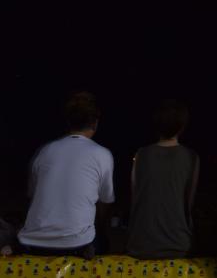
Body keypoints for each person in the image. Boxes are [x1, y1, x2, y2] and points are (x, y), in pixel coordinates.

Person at [18, 91, 114, 258]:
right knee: (103, 241)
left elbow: (32, 196)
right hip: (77, 244)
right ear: (95, 123)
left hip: (32, 242)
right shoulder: (102, 154)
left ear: (68, 122)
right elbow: (105, 202)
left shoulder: (45, 151)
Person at [127, 99, 199, 258]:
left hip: (140, 244)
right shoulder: (191, 157)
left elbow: (135, 197)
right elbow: (189, 203)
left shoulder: (140, 154)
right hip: (178, 243)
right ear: (182, 127)